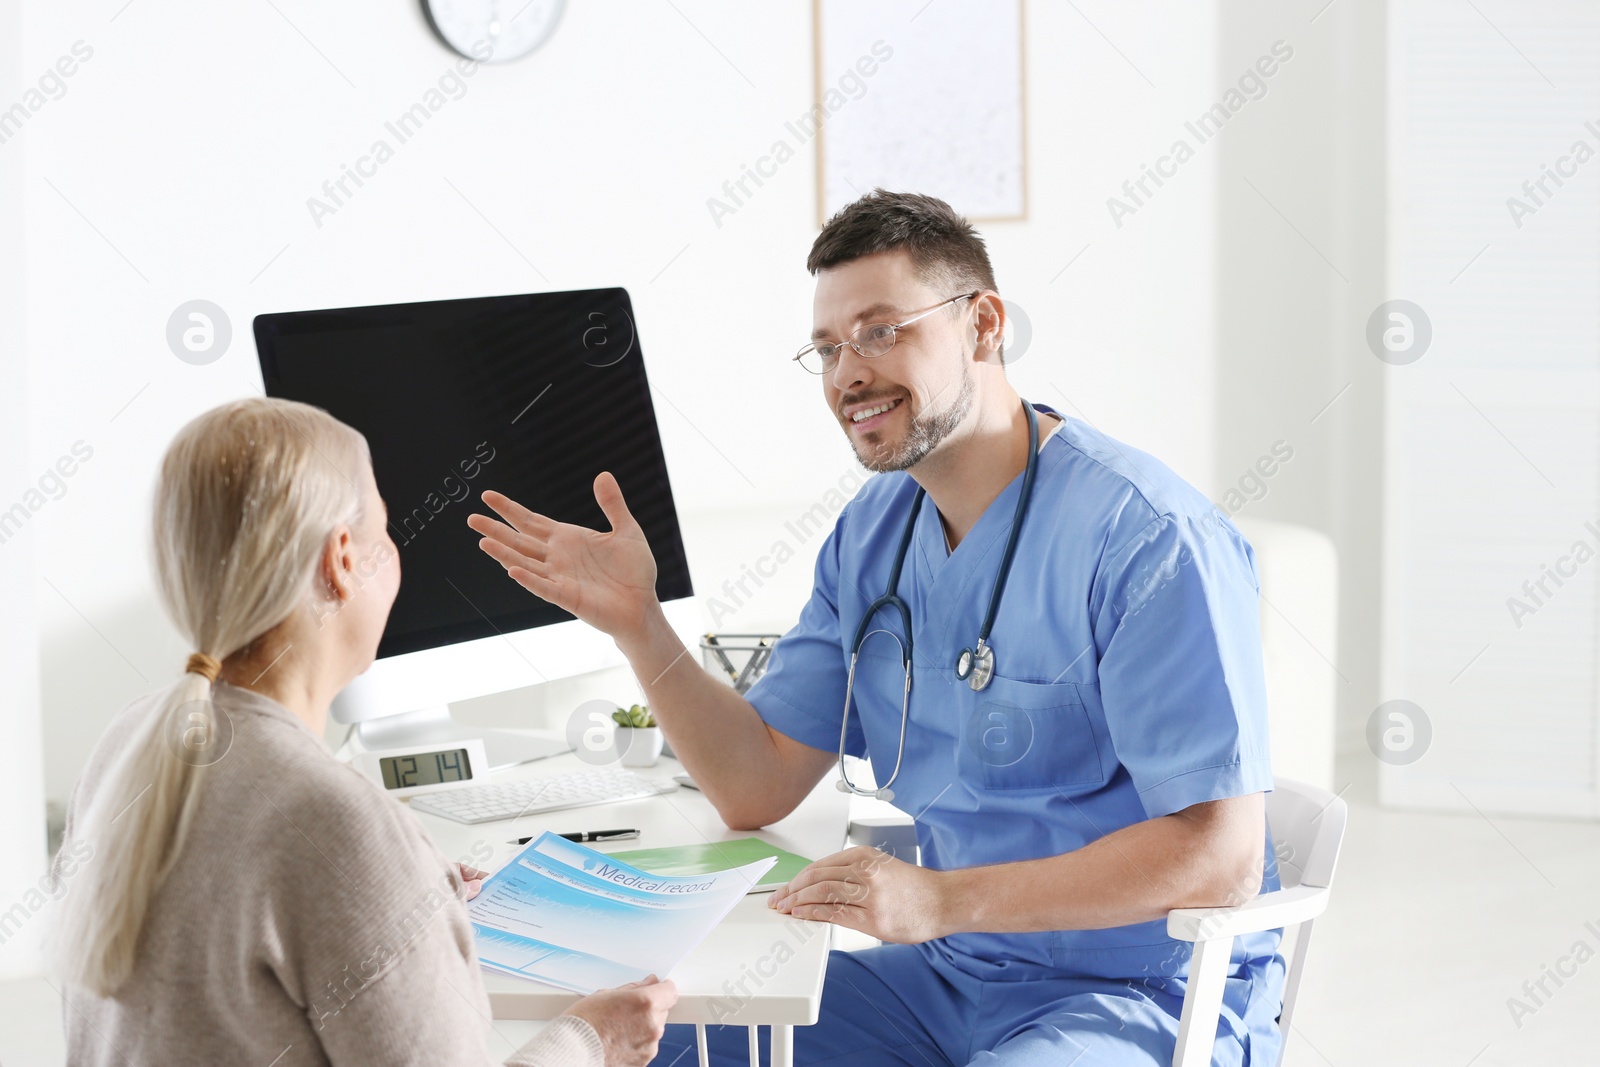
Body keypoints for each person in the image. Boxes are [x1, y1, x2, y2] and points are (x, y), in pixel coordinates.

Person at [468, 190, 1283, 1065]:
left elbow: (1219, 858)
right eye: (827, 349)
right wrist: (639, 626)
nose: (848, 373)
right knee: (641, 1042)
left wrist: (940, 900)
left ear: (983, 324)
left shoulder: (1149, 540)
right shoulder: (873, 534)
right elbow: (758, 781)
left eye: (881, 330)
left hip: (1139, 997)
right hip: (948, 981)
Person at [50, 397, 676, 1066]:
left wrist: (404, 895)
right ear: (341, 560)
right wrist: (590, 1039)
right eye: (385, 530)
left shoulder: (128, 742)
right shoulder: (329, 818)